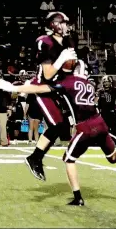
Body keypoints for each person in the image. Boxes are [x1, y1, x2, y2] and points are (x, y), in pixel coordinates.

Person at [0, 60, 116, 206]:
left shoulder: (67, 82)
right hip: (100, 122)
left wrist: (14, 87)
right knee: (113, 157)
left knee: (69, 159)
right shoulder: (90, 85)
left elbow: (40, 89)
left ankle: (78, 197)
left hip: (86, 126)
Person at [20, 11, 78, 182]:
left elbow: (67, 70)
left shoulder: (69, 41)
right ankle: (35, 158)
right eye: (65, 23)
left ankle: (35, 158)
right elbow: (47, 74)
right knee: (56, 124)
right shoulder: (44, 42)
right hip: (42, 87)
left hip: (57, 88)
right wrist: (61, 59)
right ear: (54, 24)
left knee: (61, 126)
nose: (68, 26)